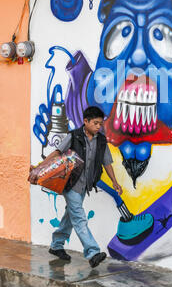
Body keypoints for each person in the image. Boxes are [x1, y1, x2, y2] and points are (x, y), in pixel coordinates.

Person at [30, 106, 153, 268]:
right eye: (95, 123)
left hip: (86, 185)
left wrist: (114, 182)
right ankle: (93, 252)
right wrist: (39, 168)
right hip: (71, 183)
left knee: (71, 214)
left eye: (100, 124)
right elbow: (57, 153)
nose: (98, 126)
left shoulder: (101, 141)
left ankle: (56, 245)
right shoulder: (73, 136)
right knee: (79, 218)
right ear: (85, 121)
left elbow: (107, 162)